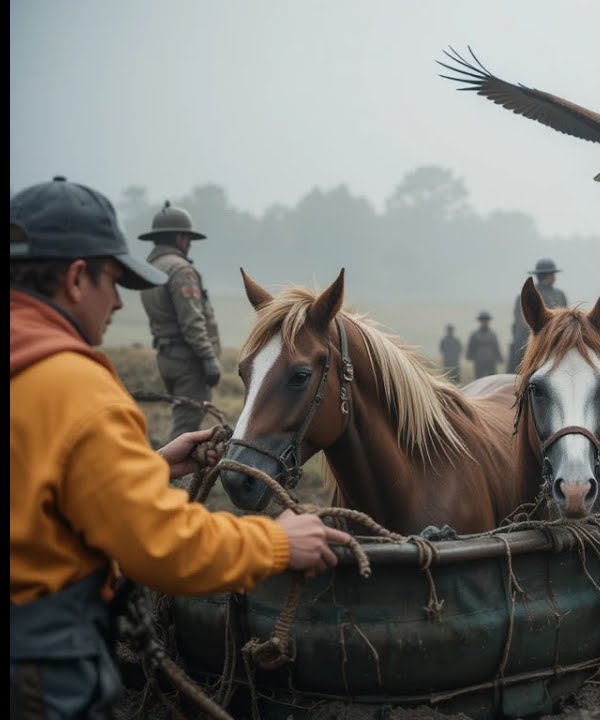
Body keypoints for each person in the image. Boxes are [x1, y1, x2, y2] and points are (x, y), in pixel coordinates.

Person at [10, 176, 352, 719]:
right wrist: (278, 542)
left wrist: (151, 468)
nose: (118, 302)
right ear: (76, 279)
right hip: (38, 663)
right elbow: (159, 544)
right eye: (113, 282)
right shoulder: (76, 390)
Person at [138, 200, 222, 441]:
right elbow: (192, 321)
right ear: (179, 237)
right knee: (186, 428)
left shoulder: (151, 268)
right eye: (188, 238)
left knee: (183, 420)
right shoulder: (181, 270)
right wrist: (208, 358)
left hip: (167, 356)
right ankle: (168, 467)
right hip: (188, 360)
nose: (190, 245)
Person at [508, 258, 568, 372]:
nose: (554, 277)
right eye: (552, 274)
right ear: (546, 275)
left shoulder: (560, 294)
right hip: (537, 342)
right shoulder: (530, 295)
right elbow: (521, 325)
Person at [466, 310, 502, 379]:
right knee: (479, 380)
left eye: (486, 320)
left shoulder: (492, 335)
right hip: (479, 361)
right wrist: (470, 356)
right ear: (480, 321)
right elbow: (470, 347)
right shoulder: (475, 335)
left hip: (491, 361)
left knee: (492, 379)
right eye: (482, 320)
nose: (484, 321)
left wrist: (499, 357)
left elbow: (496, 347)